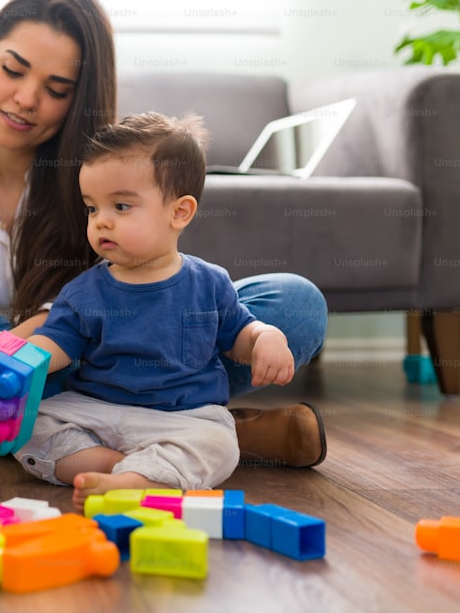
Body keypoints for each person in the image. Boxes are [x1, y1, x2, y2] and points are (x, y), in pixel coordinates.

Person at [0, 0, 327, 476]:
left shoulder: (98, 165)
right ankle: (212, 436)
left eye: (56, 90)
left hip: (137, 349)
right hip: (58, 362)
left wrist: (261, 338)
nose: (26, 99)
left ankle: (143, 433)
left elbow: (127, 292)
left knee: (294, 305)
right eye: (12, 69)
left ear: (78, 98)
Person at [18, 112, 294, 510]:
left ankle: (136, 478)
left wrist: (268, 338)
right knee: (33, 423)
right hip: (98, 410)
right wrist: (28, 358)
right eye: (92, 209)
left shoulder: (209, 282)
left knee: (218, 444)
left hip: (183, 417)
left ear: (179, 212)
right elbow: (56, 339)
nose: (101, 223)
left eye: (121, 206)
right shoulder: (85, 290)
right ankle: (118, 468)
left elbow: (240, 333)